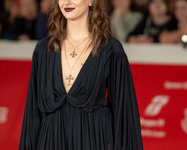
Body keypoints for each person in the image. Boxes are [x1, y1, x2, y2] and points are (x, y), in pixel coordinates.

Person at [19, 0, 143, 150]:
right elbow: (33, 112)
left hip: (95, 140)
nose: (67, 2)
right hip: (51, 140)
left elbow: (123, 113)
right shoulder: (43, 49)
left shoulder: (111, 49)